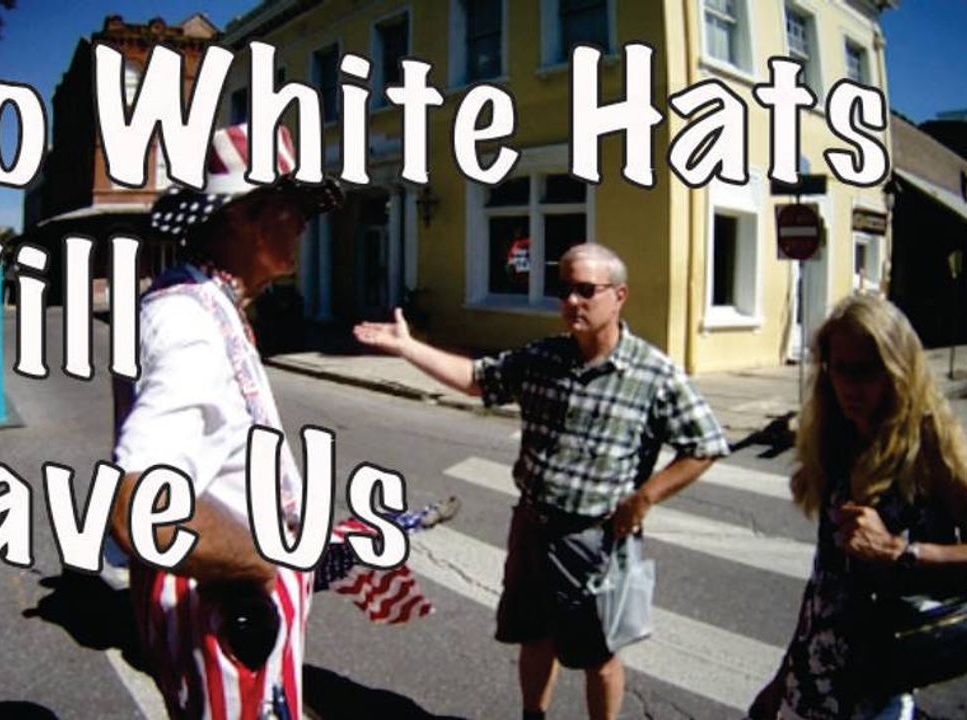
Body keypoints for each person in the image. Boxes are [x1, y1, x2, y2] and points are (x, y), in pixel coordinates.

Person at [353, 243, 730, 720]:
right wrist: (408, 347)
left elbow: (705, 444)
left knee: (598, 654)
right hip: (532, 526)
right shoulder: (543, 357)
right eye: (564, 289)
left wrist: (644, 498)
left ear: (619, 296)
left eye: (586, 290)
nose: (572, 301)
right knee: (533, 636)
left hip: (593, 539)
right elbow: (476, 379)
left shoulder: (654, 373)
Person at [109, 124, 342, 720]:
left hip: (230, 601)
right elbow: (142, 507)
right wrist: (264, 562)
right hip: (227, 611)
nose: (305, 224)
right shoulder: (187, 320)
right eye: (294, 207)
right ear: (243, 215)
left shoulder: (210, 302)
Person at [750, 294, 967, 719]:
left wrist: (897, 551)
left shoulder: (932, 443)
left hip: (877, 688)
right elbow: (824, 581)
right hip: (811, 683)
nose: (851, 387)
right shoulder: (838, 438)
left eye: (867, 370)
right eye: (840, 369)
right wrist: (781, 679)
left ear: (897, 368)